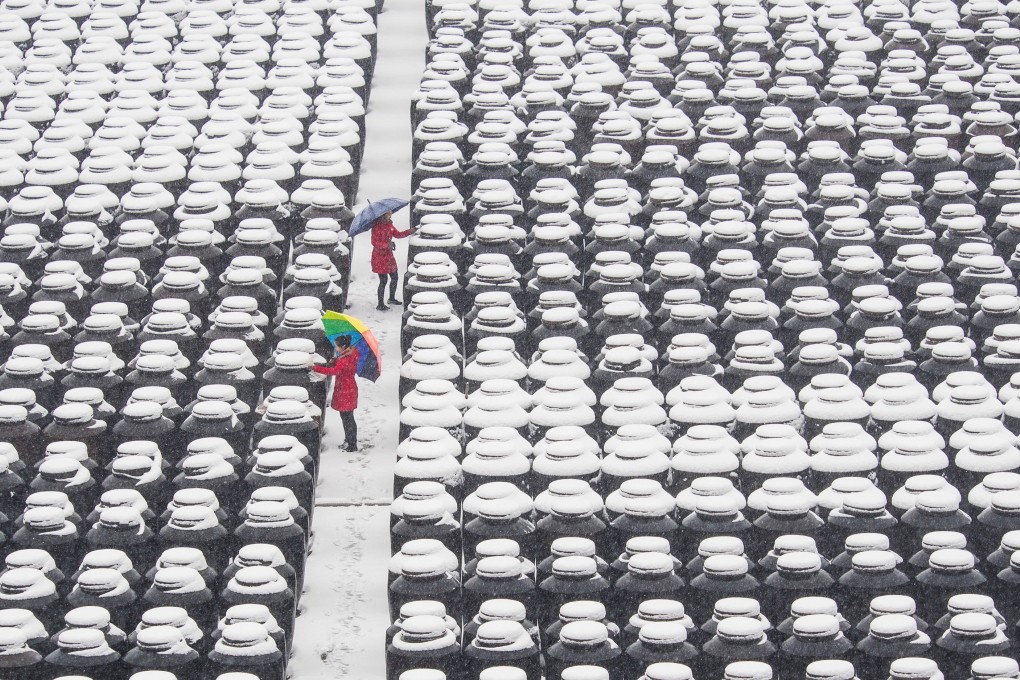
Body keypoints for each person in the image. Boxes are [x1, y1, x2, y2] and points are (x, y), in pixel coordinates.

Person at [312, 335, 360, 451]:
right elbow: (341, 368)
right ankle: (349, 440)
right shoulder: (348, 355)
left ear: (343, 346)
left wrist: (315, 368)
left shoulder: (345, 359)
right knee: (348, 417)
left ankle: (352, 444)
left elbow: (335, 371)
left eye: (337, 346)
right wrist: (335, 361)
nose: (335, 348)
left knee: (347, 418)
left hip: (345, 390)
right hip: (348, 388)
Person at [371, 211, 413, 311]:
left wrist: (411, 230)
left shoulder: (389, 225)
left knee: (394, 277)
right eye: (388, 214)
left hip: (389, 256)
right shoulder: (376, 226)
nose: (390, 215)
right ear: (383, 215)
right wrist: (386, 245)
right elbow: (374, 242)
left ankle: (391, 298)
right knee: (383, 280)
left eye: (391, 213)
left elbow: (398, 234)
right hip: (379, 257)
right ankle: (380, 304)